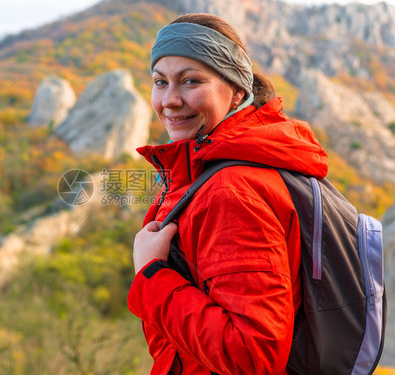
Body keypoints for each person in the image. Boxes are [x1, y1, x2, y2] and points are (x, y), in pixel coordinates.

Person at [127, 13, 328, 375]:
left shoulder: (230, 190)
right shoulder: (215, 170)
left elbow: (253, 357)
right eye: (160, 82)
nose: (169, 100)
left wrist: (153, 274)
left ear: (237, 91)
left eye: (191, 81)